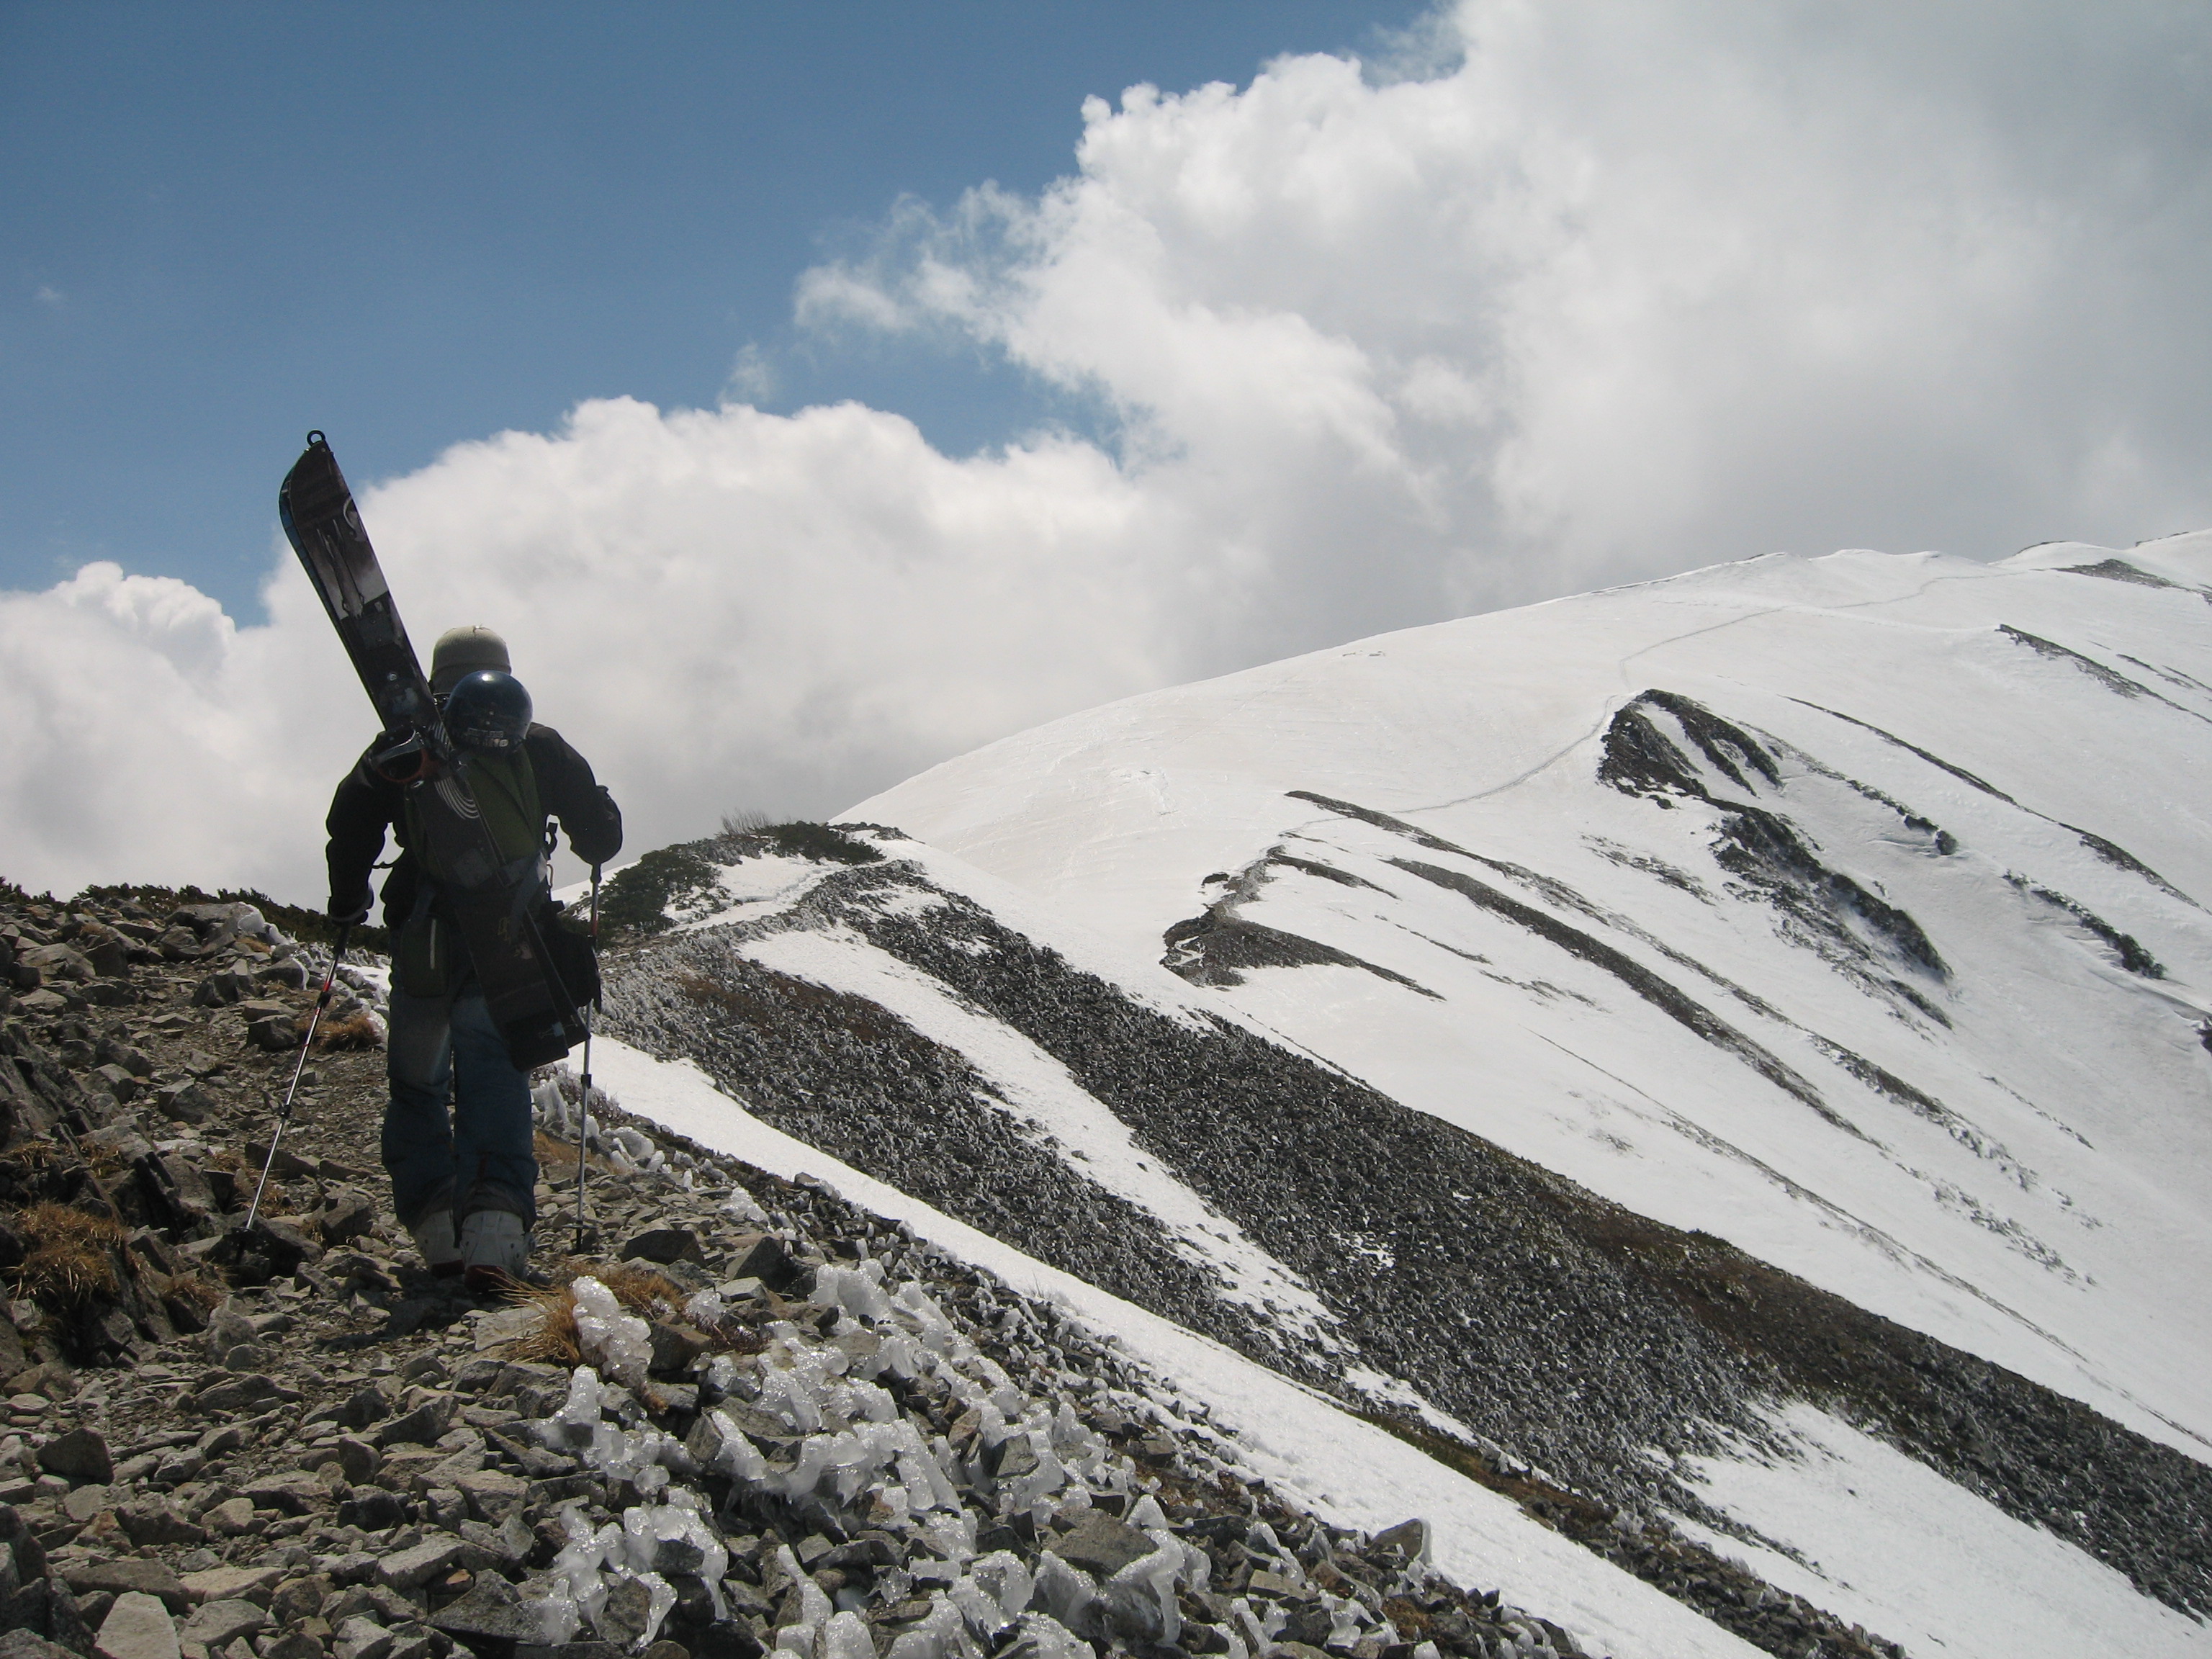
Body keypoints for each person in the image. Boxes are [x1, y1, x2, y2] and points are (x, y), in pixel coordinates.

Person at [325, 625, 621, 1288]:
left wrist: (348, 904)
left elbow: (349, 825)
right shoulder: (536, 744)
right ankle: (497, 1234)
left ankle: (436, 1228)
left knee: (417, 1082)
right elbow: (602, 835)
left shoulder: (398, 748)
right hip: (508, 942)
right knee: (494, 1073)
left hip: (424, 941)